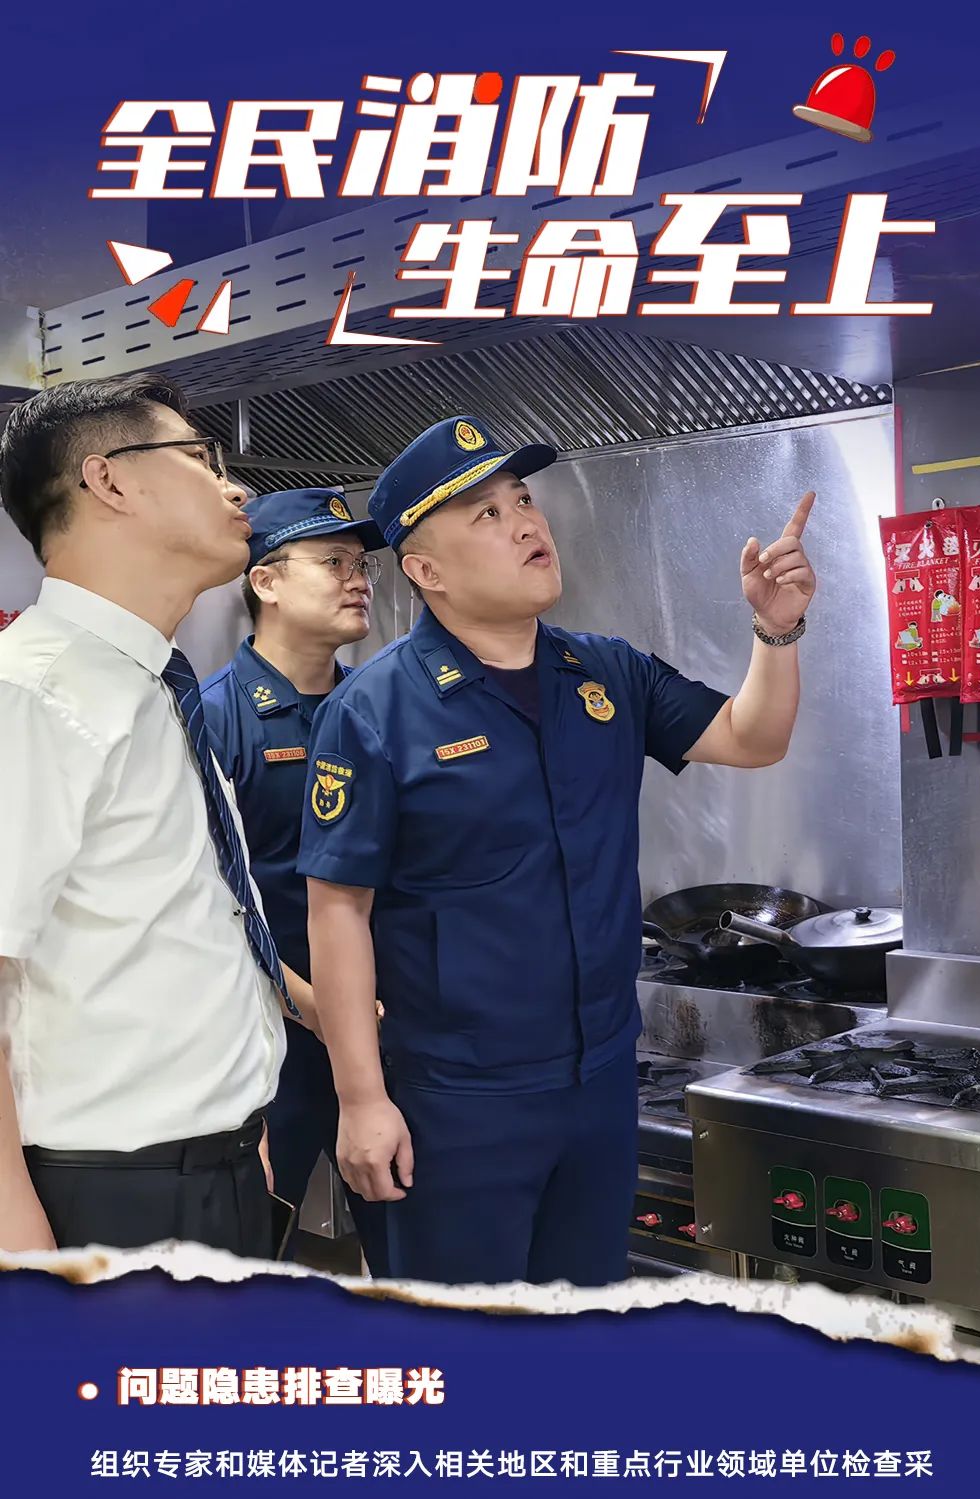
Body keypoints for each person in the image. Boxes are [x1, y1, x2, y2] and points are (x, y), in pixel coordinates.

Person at [298, 415, 817, 1287]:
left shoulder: (605, 673)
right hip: (457, 1099)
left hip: (601, 1079)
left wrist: (777, 633)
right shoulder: (374, 711)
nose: (526, 524)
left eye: (523, 501)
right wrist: (361, 1099)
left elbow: (751, 737)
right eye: (486, 515)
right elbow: (337, 913)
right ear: (425, 572)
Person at [0, 373, 301, 1256]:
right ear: (110, 480)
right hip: (107, 1197)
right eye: (203, 458)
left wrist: (242, 1125)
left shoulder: (150, 684)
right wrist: (17, 1234)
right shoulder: (34, 693)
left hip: (214, 1168)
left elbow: (185, 924)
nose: (236, 489)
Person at [201, 487, 388, 1272]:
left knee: (411, 1263)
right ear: (266, 582)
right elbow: (205, 903)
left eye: (362, 563)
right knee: (252, 1255)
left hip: (386, 1033)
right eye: (333, 561)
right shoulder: (216, 718)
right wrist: (307, 1001)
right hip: (269, 1045)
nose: (359, 579)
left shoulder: (381, 708)